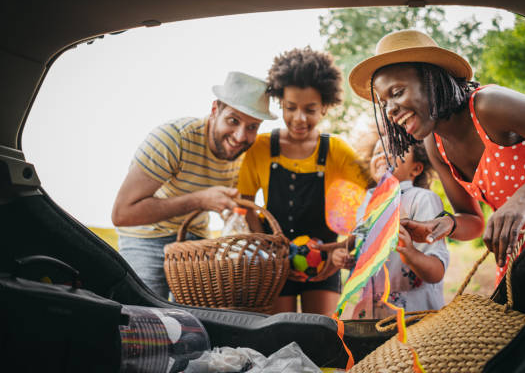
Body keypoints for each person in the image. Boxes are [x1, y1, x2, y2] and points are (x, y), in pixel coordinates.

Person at [348, 30, 525, 284]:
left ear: (432, 80)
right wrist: (446, 225)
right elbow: (473, 221)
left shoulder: (490, 105)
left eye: (397, 92)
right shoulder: (434, 144)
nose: (390, 110)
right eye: (383, 102)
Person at [111, 71, 277, 298]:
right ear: (214, 110)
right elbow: (123, 214)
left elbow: (244, 209)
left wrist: (270, 247)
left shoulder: (246, 155)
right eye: (233, 120)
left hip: (195, 241)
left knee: (200, 318)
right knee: (145, 313)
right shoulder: (173, 139)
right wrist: (200, 200)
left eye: (252, 127)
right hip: (146, 239)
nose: (240, 136)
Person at [237, 47, 368, 315]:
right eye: (290, 108)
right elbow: (246, 205)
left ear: (325, 107)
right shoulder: (260, 148)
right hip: (275, 265)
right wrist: (269, 251)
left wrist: (341, 249)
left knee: (321, 338)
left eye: (310, 109)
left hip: (323, 267)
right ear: (279, 103)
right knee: (279, 336)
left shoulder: (338, 150)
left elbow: (376, 203)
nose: (299, 118)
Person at [332, 138, 449, 318]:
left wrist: (410, 253)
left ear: (416, 168)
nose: (382, 156)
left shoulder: (422, 199)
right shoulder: (366, 204)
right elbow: (367, 260)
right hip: (372, 318)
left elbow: (436, 271)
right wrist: (350, 261)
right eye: (377, 152)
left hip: (416, 317)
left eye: (393, 149)